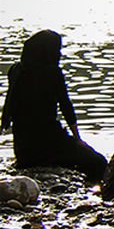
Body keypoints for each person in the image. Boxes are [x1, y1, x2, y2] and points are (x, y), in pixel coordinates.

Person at [1, 30, 106, 182]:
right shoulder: (52, 73)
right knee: (98, 162)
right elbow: (66, 107)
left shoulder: (16, 70)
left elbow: (9, 108)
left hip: (23, 149)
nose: (59, 54)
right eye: (57, 50)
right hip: (50, 144)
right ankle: (96, 192)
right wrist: (78, 139)